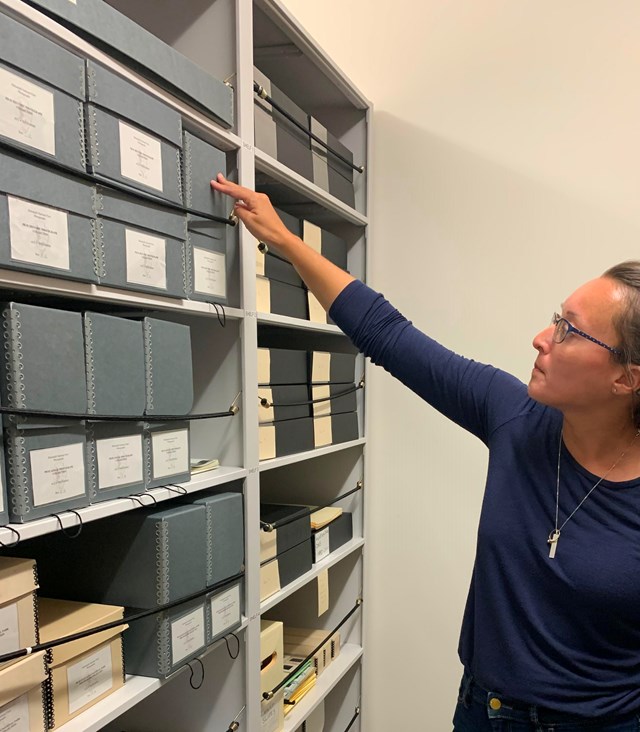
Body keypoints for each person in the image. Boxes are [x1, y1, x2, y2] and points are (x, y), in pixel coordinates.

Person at [212, 174, 640, 731]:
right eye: (554, 317)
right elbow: (387, 334)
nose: (541, 337)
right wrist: (285, 240)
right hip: (481, 712)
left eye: (568, 330)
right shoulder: (512, 415)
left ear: (626, 379)